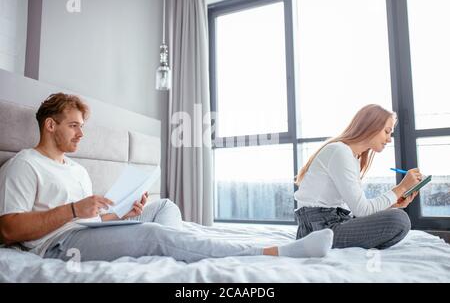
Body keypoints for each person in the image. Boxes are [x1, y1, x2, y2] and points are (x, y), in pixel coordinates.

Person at [0, 93, 334, 263]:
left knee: (162, 207)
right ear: (50, 125)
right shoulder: (25, 165)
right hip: (57, 245)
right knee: (153, 233)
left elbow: (93, 219)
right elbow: (8, 229)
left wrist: (121, 214)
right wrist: (73, 210)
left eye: (82, 127)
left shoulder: (76, 170)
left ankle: (178, 253)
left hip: (84, 229)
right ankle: (271, 252)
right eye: (74, 126)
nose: (81, 134)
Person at [294, 104, 422, 249]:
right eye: (387, 132)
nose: (389, 139)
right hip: (319, 230)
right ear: (370, 127)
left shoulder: (351, 157)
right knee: (399, 219)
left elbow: (359, 208)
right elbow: (362, 211)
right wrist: (402, 187)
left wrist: (393, 204)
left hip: (333, 222)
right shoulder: (340, 152)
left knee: (397, 216)